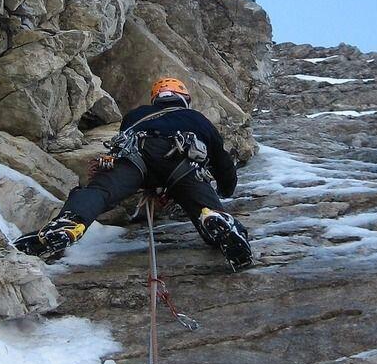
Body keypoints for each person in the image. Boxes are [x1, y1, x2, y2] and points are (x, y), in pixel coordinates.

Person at [13, 77, 252, 270]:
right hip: (180, 160)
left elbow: (123, 145)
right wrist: (225, 189)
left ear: (156, 99)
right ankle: (216, 220)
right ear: (184, 99)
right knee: (202, 203)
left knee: (101, 191)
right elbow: (222, 161)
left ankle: (69, 222)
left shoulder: (136, 115)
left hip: (135, 155)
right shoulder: (195, 118)